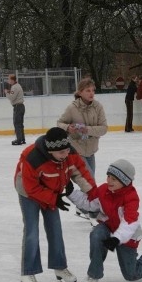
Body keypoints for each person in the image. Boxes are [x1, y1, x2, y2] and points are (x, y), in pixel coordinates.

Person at [13, 127, 97, 282]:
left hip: (52, 190)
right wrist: (54, 199)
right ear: (51, 151)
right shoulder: (32, 157)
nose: (65, 155)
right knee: (32, 230)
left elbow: (80, 173)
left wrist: (93, 193)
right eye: (61, 153)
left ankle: (59, 267)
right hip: (28, 193)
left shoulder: (69, 153)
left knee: (55, 228)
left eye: (67, 150)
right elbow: (31, 188)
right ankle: (28, 272)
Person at [65, 159, 142, 282]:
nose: (109, 181)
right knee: (96, 234)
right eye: (108, 176)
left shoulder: (131, 198)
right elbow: (89, 203)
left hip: (127, 236)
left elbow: (130, 222)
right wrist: (71, 193)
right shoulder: (103, 190)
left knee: (131, 274)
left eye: (114, 179)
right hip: (107, 226)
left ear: (124, 181)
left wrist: (117, 238)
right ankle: (94, 274)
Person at [57, 78, 108, 220]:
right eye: (88, 90)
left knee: (88, 182)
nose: (91, 93)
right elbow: (59, 123)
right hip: (76, 150)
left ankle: (82, 207)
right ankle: (93, 212)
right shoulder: (72, 108)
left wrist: (88, 130)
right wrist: (68, 127)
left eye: (93, 90)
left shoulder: (98, 107)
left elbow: (104, 128)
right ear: (80, 92)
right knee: (90, 182)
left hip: (91, 150)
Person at [5, 74, 26, 146]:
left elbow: (11, 98)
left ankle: (19, 140)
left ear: (12, 80)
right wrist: (9, 92)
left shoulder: (14, 87)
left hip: (18, 107)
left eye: (9, 79)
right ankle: (22, 139)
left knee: (17, 123)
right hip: (21, 106)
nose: (8, 80)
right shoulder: (17, 86)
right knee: (20, 124)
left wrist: (6, 93)